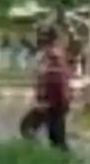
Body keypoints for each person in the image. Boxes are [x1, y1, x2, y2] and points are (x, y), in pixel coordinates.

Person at [19, 23, 72, 151]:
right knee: (55, 138)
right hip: (54, 102)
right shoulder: (49, 54)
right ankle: (51, 160)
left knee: (30, 129)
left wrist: (45, 100)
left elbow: (54, 80)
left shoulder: (52, 56)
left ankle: (43, 158)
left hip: (52, 103)